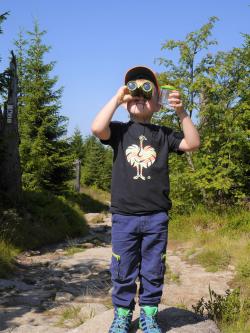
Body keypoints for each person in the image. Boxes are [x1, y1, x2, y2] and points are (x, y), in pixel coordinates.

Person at [91, 66, 200, 333]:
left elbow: (193, 143)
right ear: (127, 101)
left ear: (157, 102)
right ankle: (122, 314)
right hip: (124, 216)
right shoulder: (118, 132)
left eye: (147, 92)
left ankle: (149, 314)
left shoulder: (163, 134)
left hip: (156, 217)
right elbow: (97, 128)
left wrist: (181, 111)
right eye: (134, 92)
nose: (140, 96)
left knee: (153, 268)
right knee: (122, 267)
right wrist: (118, 99)